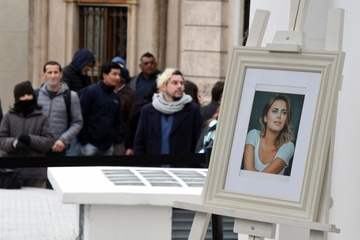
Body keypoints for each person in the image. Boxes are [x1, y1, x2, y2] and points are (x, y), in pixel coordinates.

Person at [134, 68, 202, 156]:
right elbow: (139, 142)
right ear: (164, 86)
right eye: (175, 83)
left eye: (181, 83)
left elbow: (198, 142)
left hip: (182, 167)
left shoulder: (192, 110)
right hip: (153, 167)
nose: (179, 86)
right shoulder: (148, 110)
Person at [0, 81, 55, 187]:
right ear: (17, 98)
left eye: (29, 95)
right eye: (23, 95)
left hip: (36, 173)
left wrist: (30, 140)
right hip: (11, 172)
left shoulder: (42, 117)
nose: (26, 98)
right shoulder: (9, 117)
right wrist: (14, 143)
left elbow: (49, 141)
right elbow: (1, 139)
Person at [37, 61, 83, 157]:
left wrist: (63, 140)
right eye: (49, 72)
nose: (53, 76)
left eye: (56, 72)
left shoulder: (71, 96)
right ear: (44, 75)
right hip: (39, 148)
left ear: (61, 75)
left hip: (60, 148)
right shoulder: (36, 94)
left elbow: (77, 122)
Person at [77, 62, 122, 156]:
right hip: (89, 145)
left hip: (108, 147)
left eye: (119, 74)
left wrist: (113, 138)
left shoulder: (115, 97)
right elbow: (80, 116)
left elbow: (117, 121)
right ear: (105, 75)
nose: (118, 78)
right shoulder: (91, 92)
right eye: (114, 74)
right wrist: (84, 140)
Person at [243, 94, 295, 175]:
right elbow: (248, 170)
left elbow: (263, 178)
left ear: (286, 120)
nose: (279, 116)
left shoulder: (288, 146)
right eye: (275, 111)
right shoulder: (253, 135)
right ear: (265, 117)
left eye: (284, 113)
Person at [111, 57, 138, 155]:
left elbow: (132, 121)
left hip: (121, 142)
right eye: (113, 73)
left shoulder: (130, 95)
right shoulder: (102, 91)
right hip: (102, 143)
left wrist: (129, 145)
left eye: (118, 74)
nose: (116, 77)